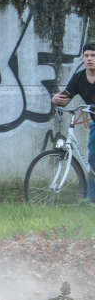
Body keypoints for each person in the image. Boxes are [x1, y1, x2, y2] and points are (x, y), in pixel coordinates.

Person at [52, 41, 95, 206]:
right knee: (92, 160)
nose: (90, 59)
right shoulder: (78, 78)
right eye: (87, 56)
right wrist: (55, 99)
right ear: (83, 58)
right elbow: (64, 99)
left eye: (93, 55)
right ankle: (92, 201)